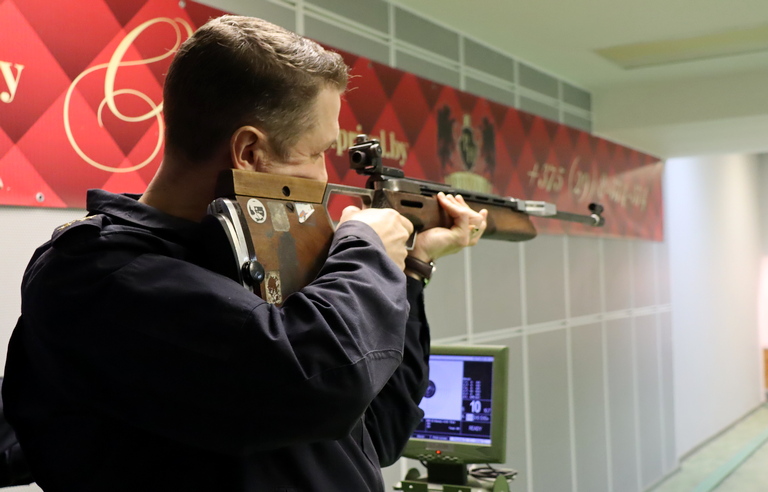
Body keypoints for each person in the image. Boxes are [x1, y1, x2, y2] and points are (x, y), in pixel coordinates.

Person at [2, 15, 487, 492]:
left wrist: (412, 267)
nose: (324, 177)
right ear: (250, 152)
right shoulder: (100, 275)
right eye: (317, 152)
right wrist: (366, 247)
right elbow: (319, 383)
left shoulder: (259, 262)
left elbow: (379, 431)